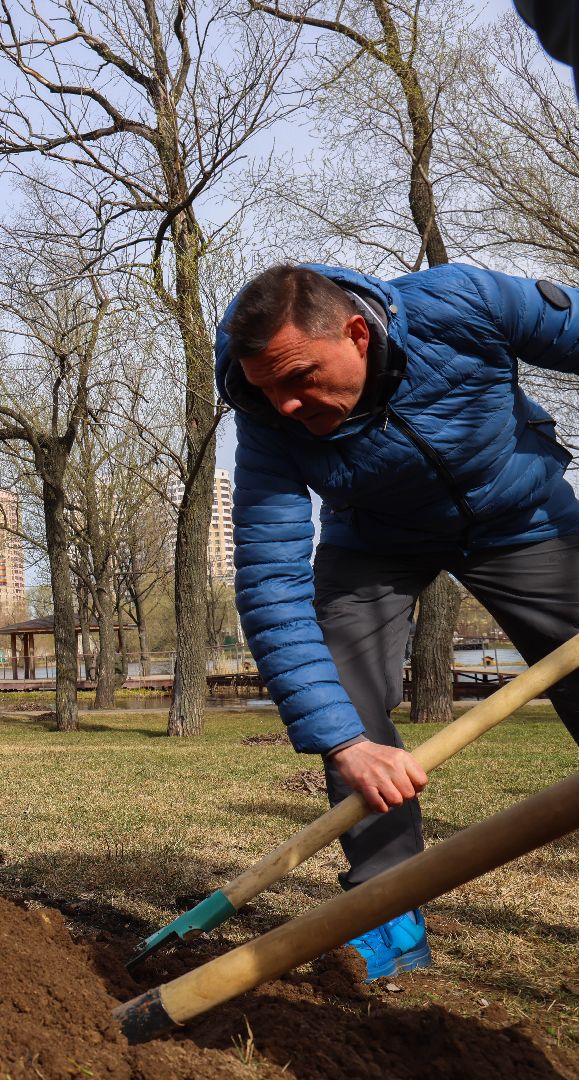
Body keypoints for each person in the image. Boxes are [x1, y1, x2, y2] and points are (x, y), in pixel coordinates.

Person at [216, 262, 579, 980]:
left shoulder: (460, 303)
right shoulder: (264, 422)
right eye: (266, 388)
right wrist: (343, 739)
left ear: (356, 333)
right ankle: (385, 913)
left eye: (299, 378)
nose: (284, 405)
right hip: (373, 541)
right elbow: (268, 582)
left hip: (523, 518)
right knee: (343, 696)